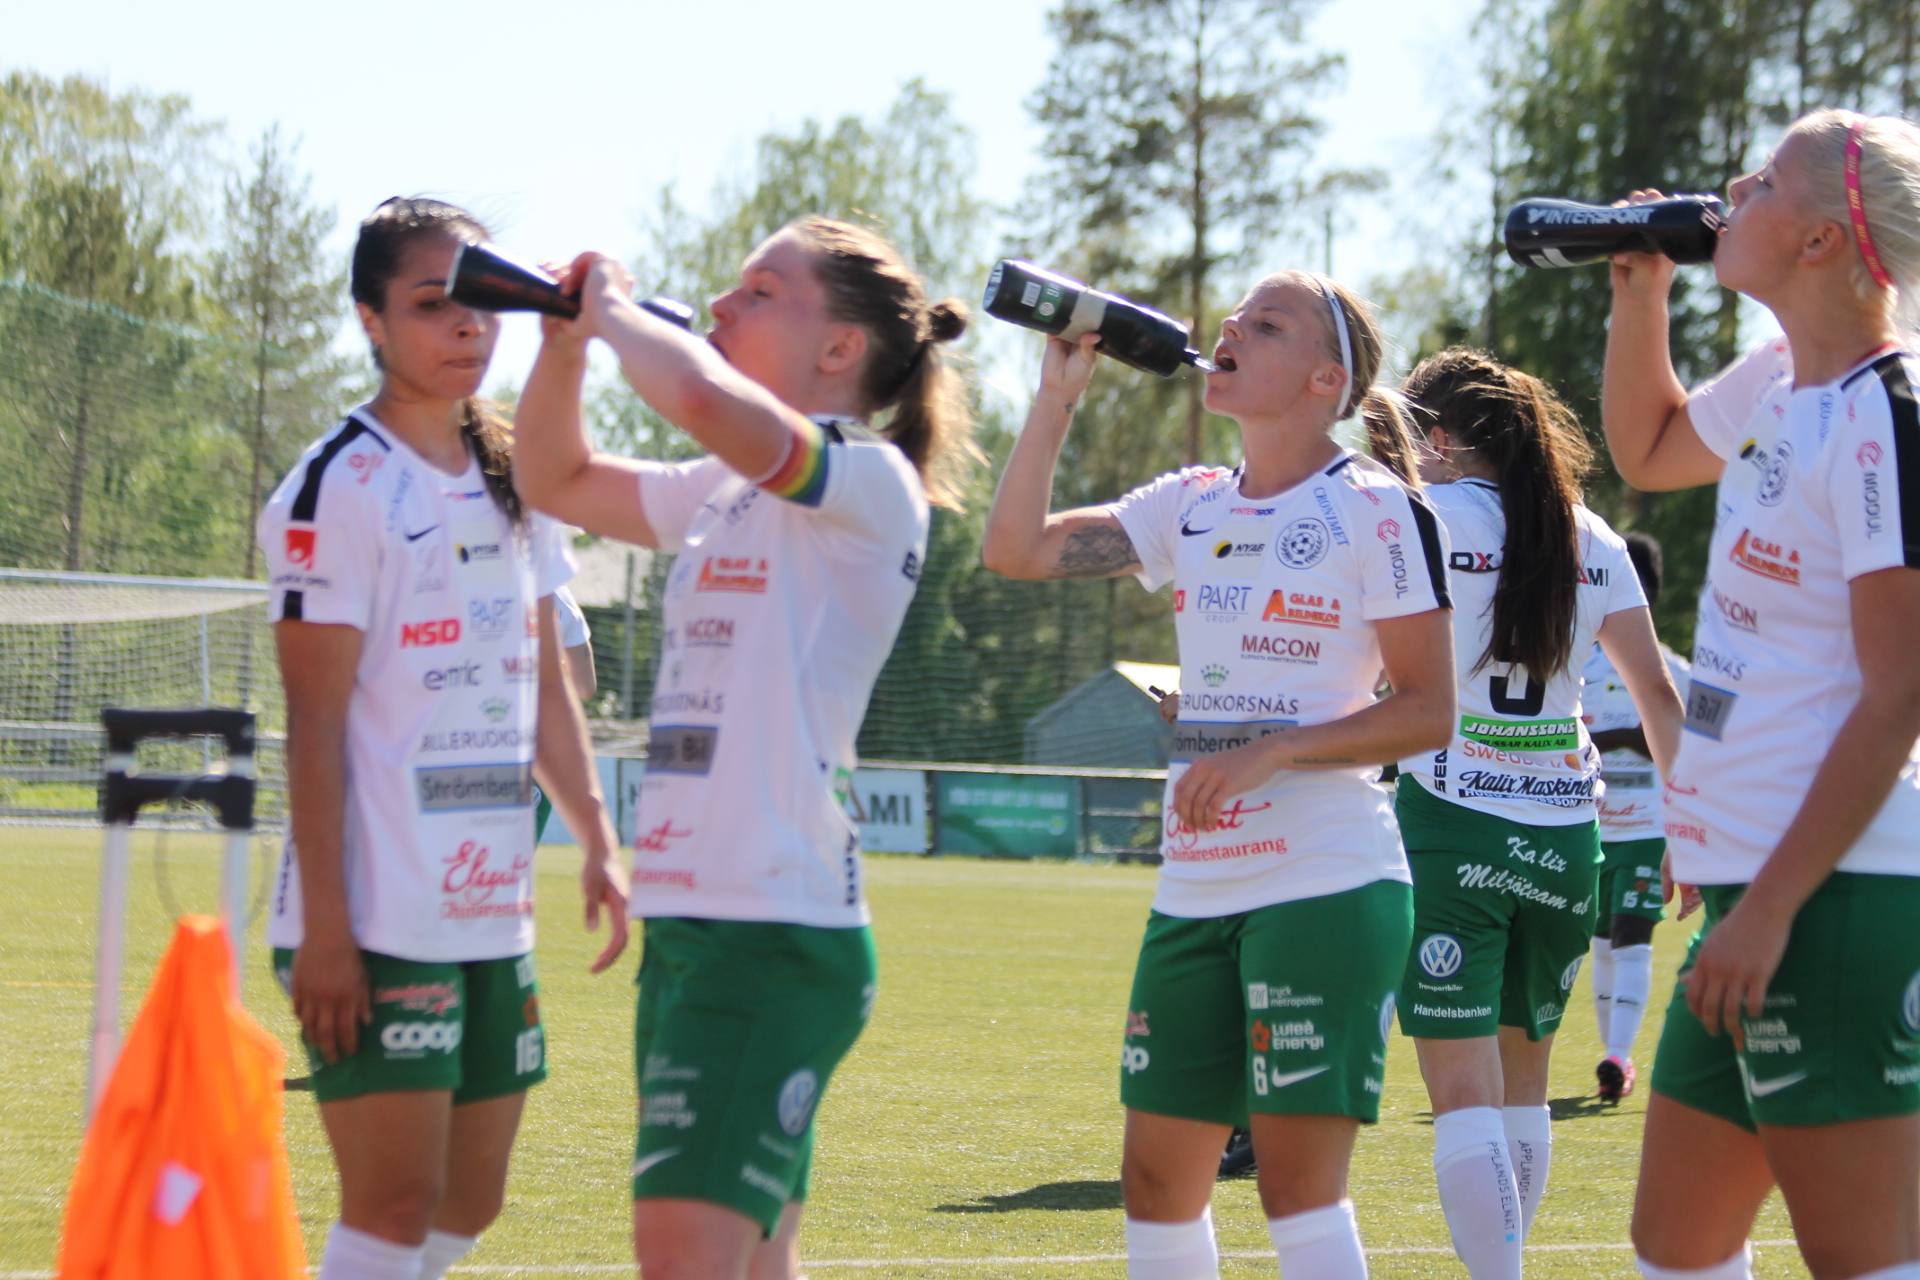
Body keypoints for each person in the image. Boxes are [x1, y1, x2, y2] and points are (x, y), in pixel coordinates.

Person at [510, 216, 971, 1280]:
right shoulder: (723, 490)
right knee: (756, 1261)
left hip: (771, 927)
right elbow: (553, 476)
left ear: (840, 348)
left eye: (759, 291)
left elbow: (705, 399)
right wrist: (565, 347)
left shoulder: (869, 475)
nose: (721, 303)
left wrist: (609, 306)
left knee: (684, 1256)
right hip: (698, 920)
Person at [983, 270, 1458, 1280]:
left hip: (1326, 878)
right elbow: (1015, 548)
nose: (1234, 325)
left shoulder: (1378, 509)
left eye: (1268, 323)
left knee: (1296, 1188)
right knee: (1158, 1185)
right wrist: (1056, 397)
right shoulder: (1190, 502)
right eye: (1238, 315)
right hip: (1195, 885)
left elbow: (1429, 710)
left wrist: (1272, 749)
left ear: (1327, 381)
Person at [261, 197, 630, 1280]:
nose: (466, 325)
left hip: (486, 905)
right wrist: (329, 931)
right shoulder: (338, 486)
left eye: (478, 302)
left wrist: (596, 833)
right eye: (431, 304)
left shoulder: (520, 473)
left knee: (470, 1200)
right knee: (392, 1204)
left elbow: (546, 685)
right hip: (373, 909)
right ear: (371, 320)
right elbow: (315, 725)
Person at [1603, 108, 1920, 1280]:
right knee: (1677, 1243)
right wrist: (1640, 293)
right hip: (1755, 887)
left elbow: (1900, 693)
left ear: (1823, 239)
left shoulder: (1886, 416)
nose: (1733, 187)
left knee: (1863, 1255)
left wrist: (1772, 905)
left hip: (1831, 896)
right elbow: (1648, 449)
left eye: (1768, 179)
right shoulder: (1781, 379)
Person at [1394, 348, 1685, 1280]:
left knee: (1462, 1097)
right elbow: (1659, 699)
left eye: (1409, 439)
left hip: (1451, 822)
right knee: (1524, 1090)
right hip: (1568, 836)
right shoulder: (1590, 535)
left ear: (1440, 438)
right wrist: (1691, 829)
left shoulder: (1422, 518)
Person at [1579, 531, 1692, 1102]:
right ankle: (1611, 1056)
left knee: (1631, 934)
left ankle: (1620, 1056)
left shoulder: (1675, 673)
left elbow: (1698, 747)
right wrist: (1625, 736)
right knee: (1601, 941)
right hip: (1594, 827)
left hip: (1651, 827)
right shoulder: (1577, 665)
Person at [534, 583, 598, 843]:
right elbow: (585, 687)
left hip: (475, 741)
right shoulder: (561, 596)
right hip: (543, 747)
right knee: (515, 859)